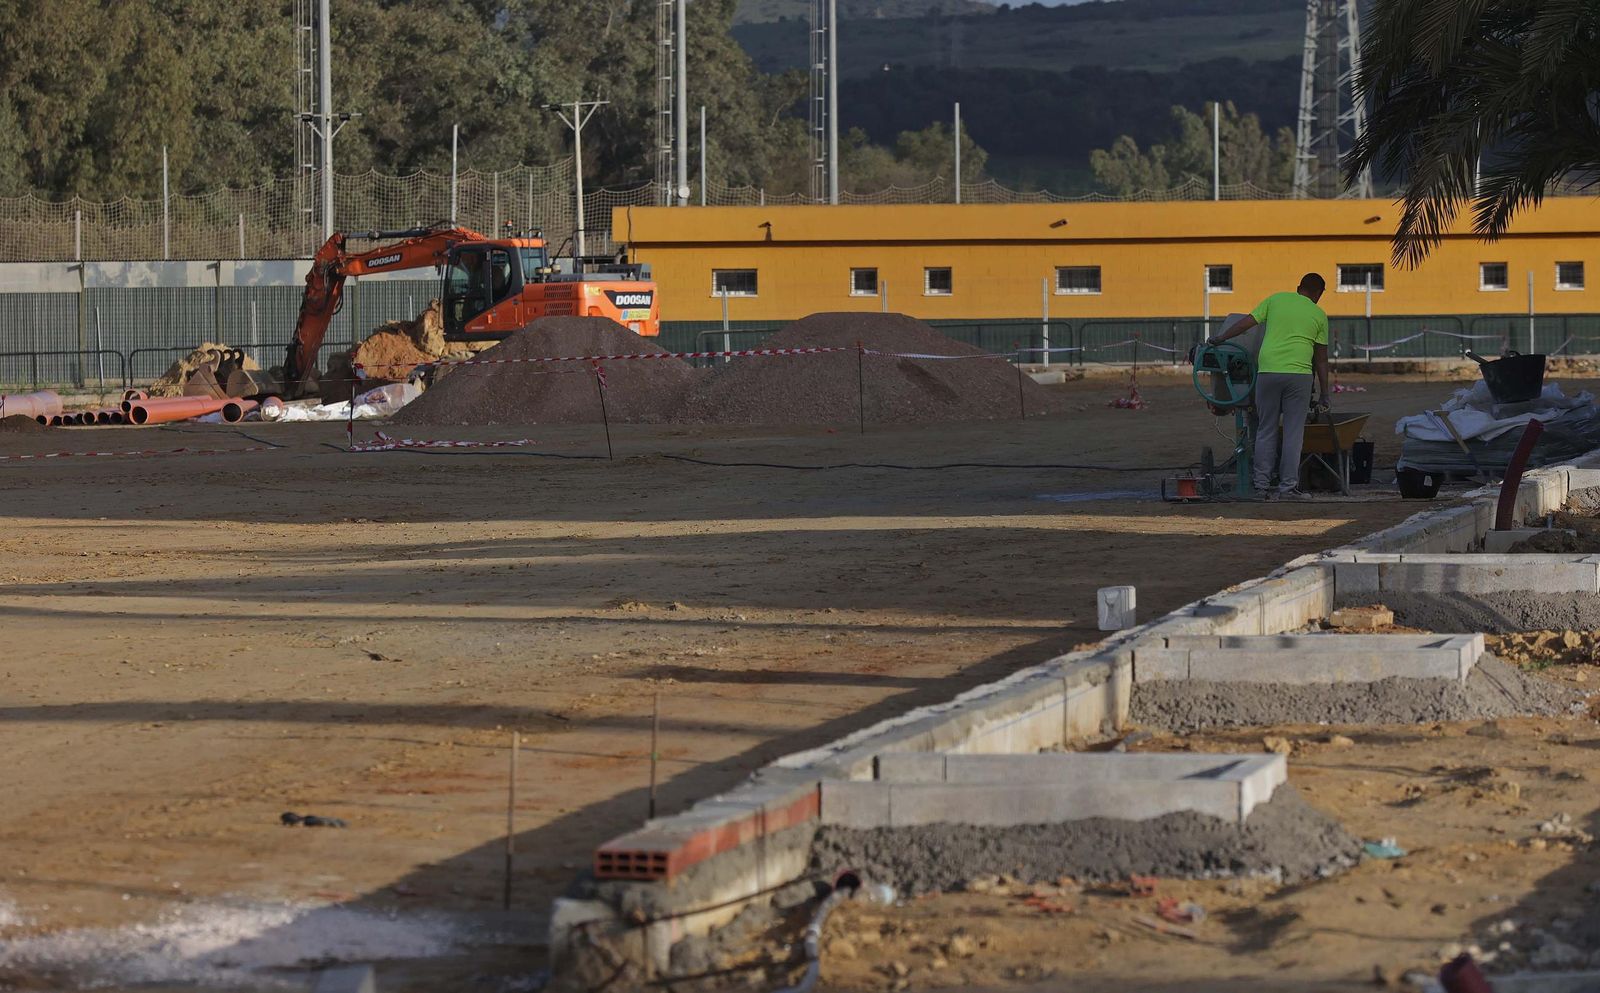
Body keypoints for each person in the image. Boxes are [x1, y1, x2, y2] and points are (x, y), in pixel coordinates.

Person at [1207, 272, 1331, 500]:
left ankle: (1261, 487)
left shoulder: (1275, 300)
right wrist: (1324, 392)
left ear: (1297, 287)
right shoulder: (1319, 315)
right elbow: (1320, 360)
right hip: (1299, 375)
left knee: (1265, 429)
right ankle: (1288, 488)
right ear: (1318, 293)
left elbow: (1246, 323)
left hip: (1267, 372)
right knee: (1294, 433)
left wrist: (1221, 338)